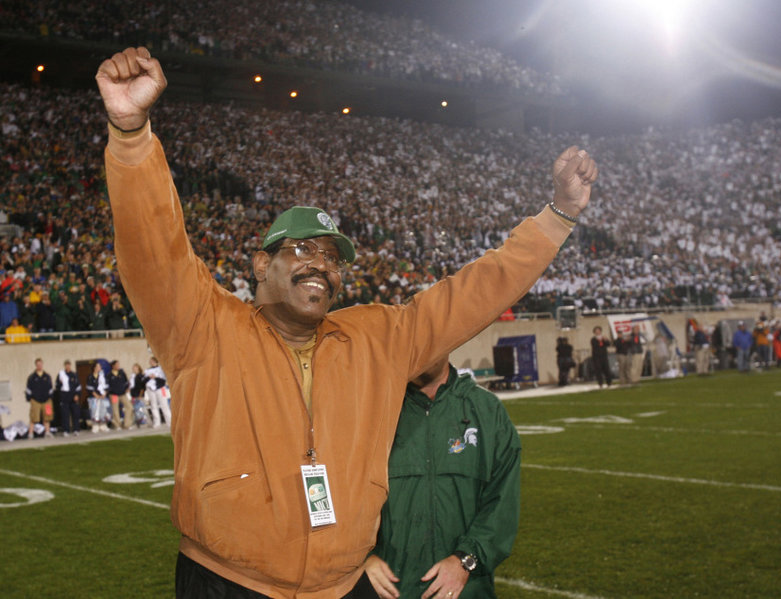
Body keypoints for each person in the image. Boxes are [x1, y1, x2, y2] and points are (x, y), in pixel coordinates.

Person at [96, 46, 597, 598]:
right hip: (228, 580)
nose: (322, 265)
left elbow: (476, 292)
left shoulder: (376, 336)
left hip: (340, 586)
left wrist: (558, 216)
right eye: (303, 250)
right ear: (262, 264)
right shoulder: (204, 325)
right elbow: (152, 249)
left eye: (333, 257)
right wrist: (131, 134)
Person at [364, 357, 520, 599]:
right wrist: (360, 560)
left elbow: (502, 504)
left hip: (465, 591)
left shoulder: (487, 411)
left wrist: (465, 561)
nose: (425, 347)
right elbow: (345, 497)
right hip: (388, 592)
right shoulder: (372, 411)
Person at [25, 358, 54, 438]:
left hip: (47, 400)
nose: (39, 366)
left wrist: (50, 397)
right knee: (34, 417)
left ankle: (47, 432)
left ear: (42, 364)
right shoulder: (31, 377)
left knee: (47, 417)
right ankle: (30, 433)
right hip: (35, 400)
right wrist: (29, 398)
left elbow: (51, 388)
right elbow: (28, 390)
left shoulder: (47, 376)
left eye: (40, 364)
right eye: (38, 364)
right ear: (36, 365)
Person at [56, 360, 82, 436]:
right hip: (64, 397)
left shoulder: (74, 375)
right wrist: (60, 383)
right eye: (66, 365)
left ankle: (76, 429)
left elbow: (78, 386)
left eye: (69, 365)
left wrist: (77, 395)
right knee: (65, 415)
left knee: (75, 414)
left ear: (70, 365)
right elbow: (57, 386)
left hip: (73, 397)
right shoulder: (61, 374)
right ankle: (66, 430)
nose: (67, 366)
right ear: (64, 366)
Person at [144, 356, 171, 428]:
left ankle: (169, 421)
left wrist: (155, 377)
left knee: (164, 405)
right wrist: (149, 377)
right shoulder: (147, 370)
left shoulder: (161, 369)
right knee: (153, 405)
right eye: (150, 361)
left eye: (152, 361)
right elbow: (144, 380)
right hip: (151, 389)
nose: (151, 363)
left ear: (156, 362)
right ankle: (157, 422)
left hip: (160, 388)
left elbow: (163, 380)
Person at [107, 359, 134, 430]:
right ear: (113, 366)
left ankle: (127, 424)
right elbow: (107, 386)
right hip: (114, 395)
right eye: (116, 364)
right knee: (115, 410)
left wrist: (127, 388)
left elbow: (126, 382)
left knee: (129, 407)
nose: (118, 366)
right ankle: (117, 425)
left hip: (122, 393)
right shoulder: (109, 375)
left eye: (118, 364)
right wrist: (111, 391)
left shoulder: (122, 373)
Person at [86, 361, 109, 433]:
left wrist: (104, 394)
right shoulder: (90, 377)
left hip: (102, 397)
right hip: (94, 398)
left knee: (103, 411)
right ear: (94, 368)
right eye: (98, 366)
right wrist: (96, 395)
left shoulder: (103, 376)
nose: (99, 368)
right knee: (94, 411)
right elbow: (89, 388)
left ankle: (103, 425)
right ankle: (95, 426)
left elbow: (107, 386)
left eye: (100, 366)